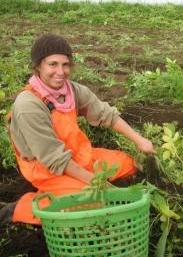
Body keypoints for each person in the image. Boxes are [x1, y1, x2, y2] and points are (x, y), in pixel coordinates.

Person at [0, 34, 155, 225]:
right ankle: (18, 209)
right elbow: (55, 160)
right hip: (48, 168)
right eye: (53, 64)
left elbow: (106, 114)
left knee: (128, 164)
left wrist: (139, 140)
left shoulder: (71, 90)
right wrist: (100, 185)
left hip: (77, 155)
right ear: (38, 66)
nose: (61, 71)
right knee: (91, 203)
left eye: (65, 64)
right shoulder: (28, 106)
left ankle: (84, 186)